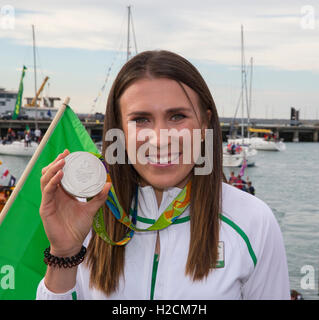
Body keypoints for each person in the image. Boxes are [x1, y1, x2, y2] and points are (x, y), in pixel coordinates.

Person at [36, 50, 290, 300]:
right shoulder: (89, 217)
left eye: (177, 116)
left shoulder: (253, 221)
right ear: (120, 132)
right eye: (141, 119)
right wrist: (64, 253)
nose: (159, 140)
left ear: (204, 124)